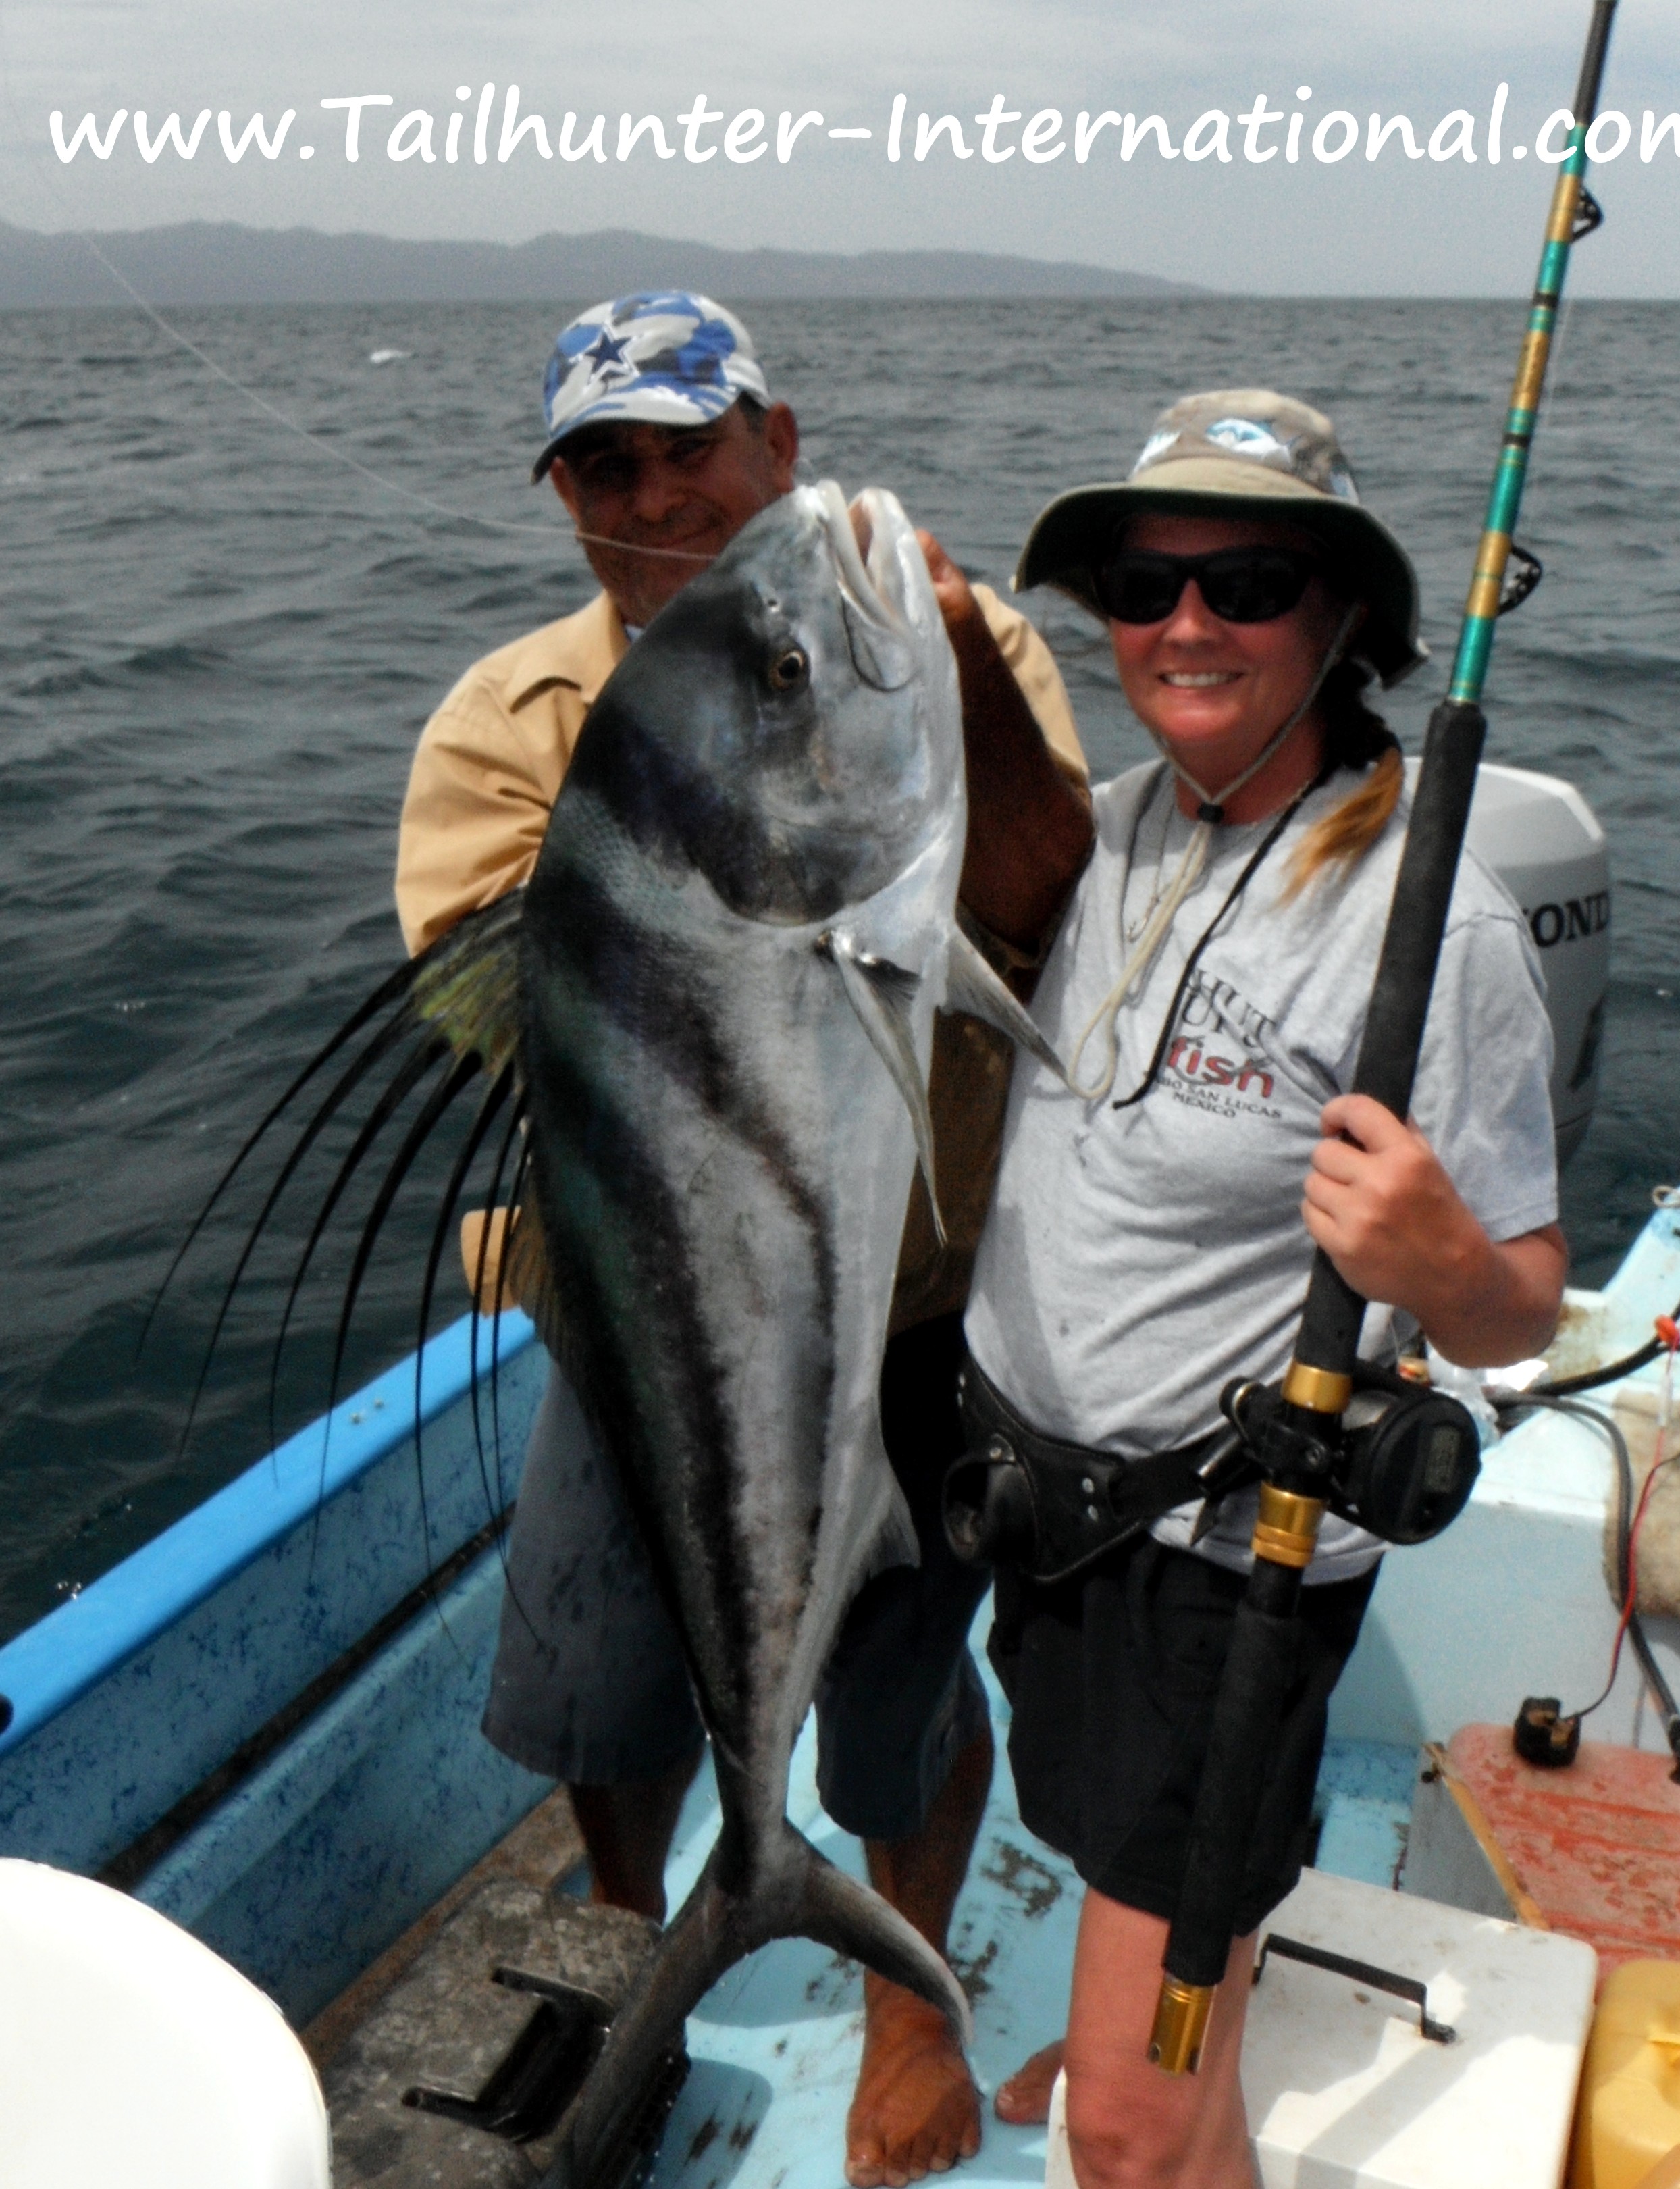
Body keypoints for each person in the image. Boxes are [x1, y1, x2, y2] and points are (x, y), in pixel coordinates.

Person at [394, 292, 1094, 2188]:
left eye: (687, 448)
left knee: (896, 1698)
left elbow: (1051, 914)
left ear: (776, 444)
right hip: (643, 1308)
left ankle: (902, 1993)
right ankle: (641, 1944)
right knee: (595, 1682)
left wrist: (928, 676)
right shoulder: (509, 722)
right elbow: (479, 1013)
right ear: (563, 499)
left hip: (910, 1291)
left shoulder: (938, 645)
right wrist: (692, 880)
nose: (651, 499)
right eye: (601, 469)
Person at [960, 390, 1567, 2186]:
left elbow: (1523, 1310)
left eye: (1246, 582)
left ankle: (1149, 2074)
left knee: (1131, 2136)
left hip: (1222, 1562)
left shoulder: (1434, 922)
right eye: (1142, 584)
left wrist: (1445, 1263)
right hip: (1045, 1513)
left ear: (1340, 620)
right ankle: (1158, 2005)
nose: (1185, 623)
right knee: (1113, 1866)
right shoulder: (1114, 831)